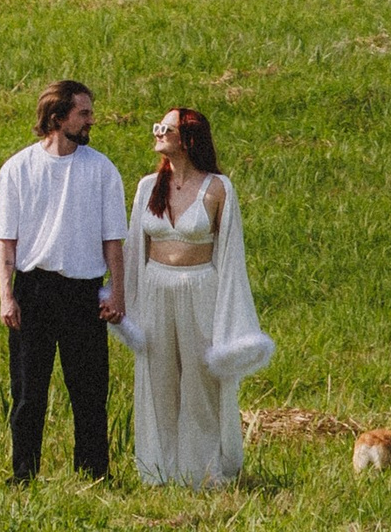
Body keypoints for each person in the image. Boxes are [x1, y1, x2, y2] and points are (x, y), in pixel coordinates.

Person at [113, 105, 272, 484]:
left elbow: (230, 253)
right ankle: (158, 468)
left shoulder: (217, 188)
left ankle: (201, 471)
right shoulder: (147, 187)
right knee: (158, 379)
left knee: (200, 380)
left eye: (165, 128)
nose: (157, 133)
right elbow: (134, 248)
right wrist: (122, 301)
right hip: (155, 288)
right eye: (158, 127)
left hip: (200, 287)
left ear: (188, 138)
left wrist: (229, 315)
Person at [0, 78, 126, 481]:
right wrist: (5, 296)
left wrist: (116, 293)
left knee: (89, 393)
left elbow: (113, 242)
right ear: (56, 117)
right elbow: (6, 242)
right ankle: (24, 474)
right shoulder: (17, 169)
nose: (91, 121)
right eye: (83, 113)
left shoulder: (101, 170)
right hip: (33, 291)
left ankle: (93, 475)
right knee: (28, 393)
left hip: (83, 292)